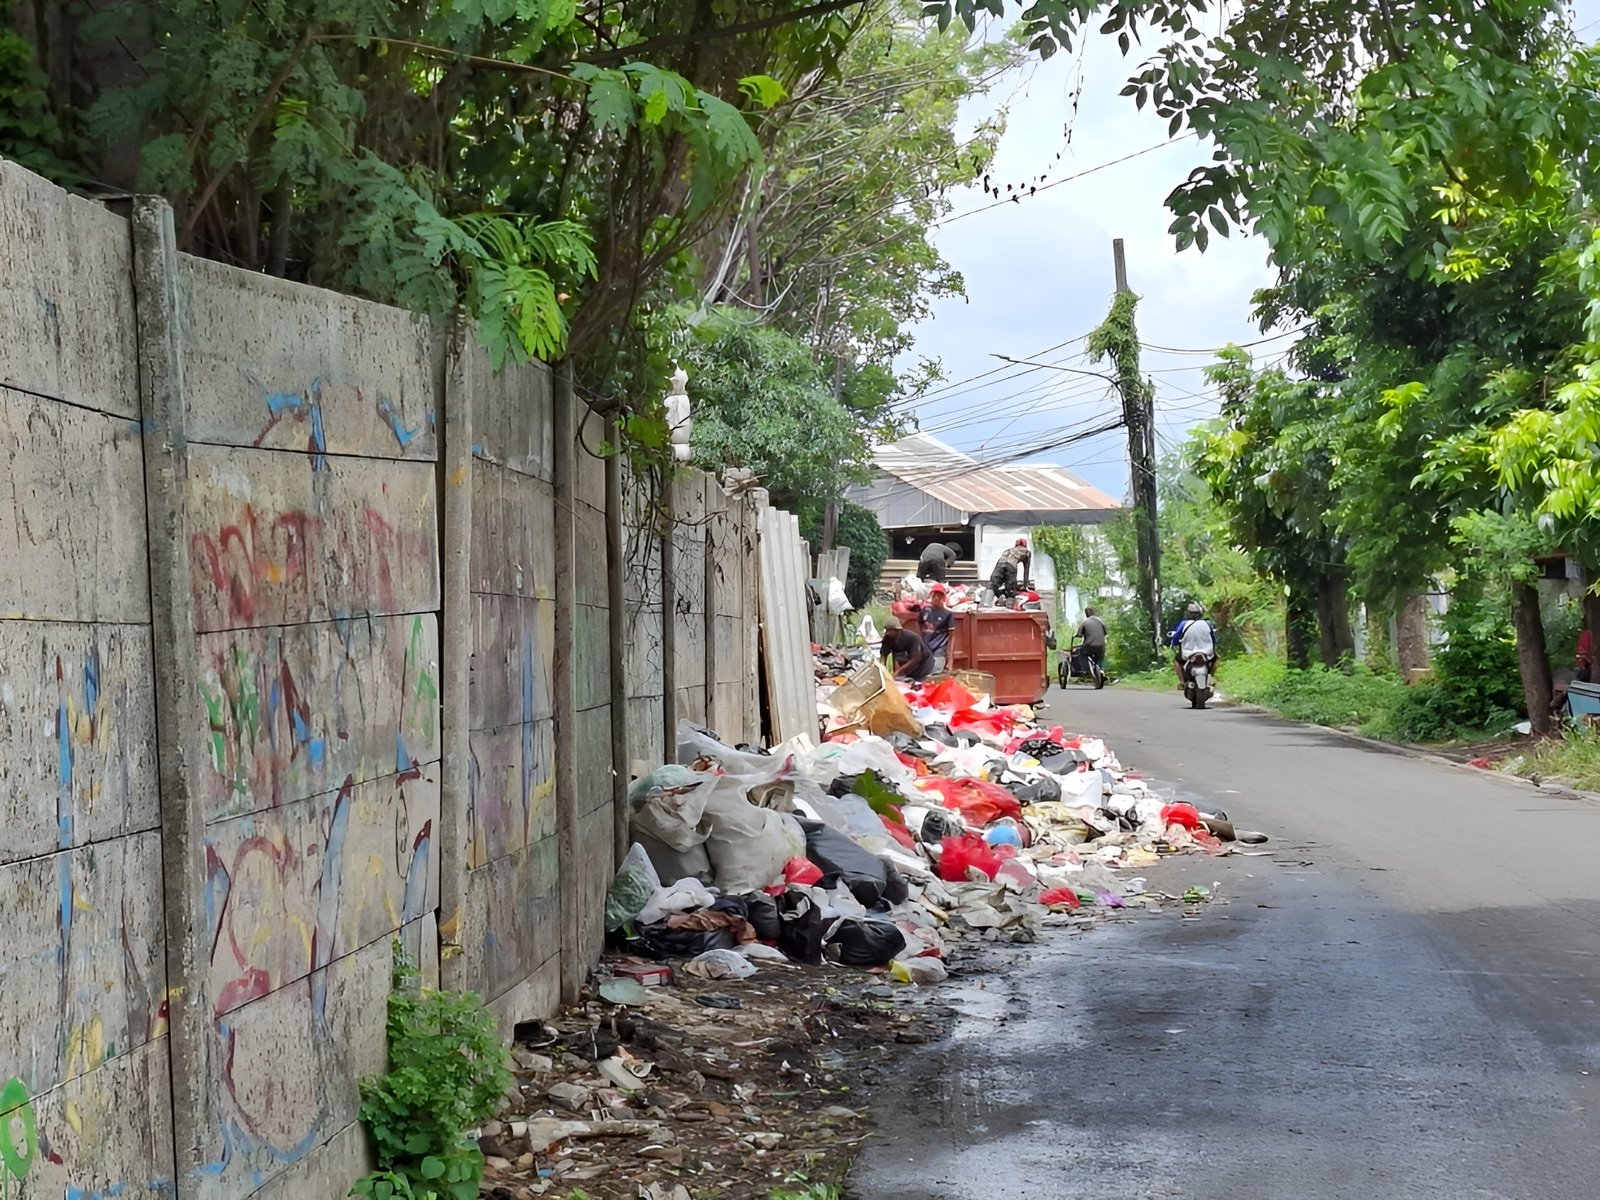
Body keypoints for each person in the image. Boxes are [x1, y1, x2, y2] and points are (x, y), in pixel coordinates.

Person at [1169, 601, 1218, 686]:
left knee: (1177, 661)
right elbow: (1213, 639)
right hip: (1206, 653)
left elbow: (1175, 640)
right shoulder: (1207, 624)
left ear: (1188, 614)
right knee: (1216, 659)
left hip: (1188, 654)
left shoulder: (1183, 624)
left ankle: (1182, 682)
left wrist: (1173, 643)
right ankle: (1211, 676)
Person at [921, 583, 955, 672]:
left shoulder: (948, 614)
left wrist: (950, 660)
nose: (936, 598)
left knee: (934, 677)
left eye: (939, 595)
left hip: (938, 652)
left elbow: (951, 638)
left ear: (943, 598)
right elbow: (920, 628)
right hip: (925, 652)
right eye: (934, 595)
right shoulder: (925, 611)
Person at [1075, 606, 1107, 675]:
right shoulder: (1100, 621)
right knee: (1100, 655)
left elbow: (1079, 634)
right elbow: (1105, 633)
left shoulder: (1085, 622)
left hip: (1089, 645)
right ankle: (1100, 669)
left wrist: (1078, 635)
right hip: (1101, 645)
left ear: (1086, 614)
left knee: (1081, 653)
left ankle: (1086, 670)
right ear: (1094, 613)